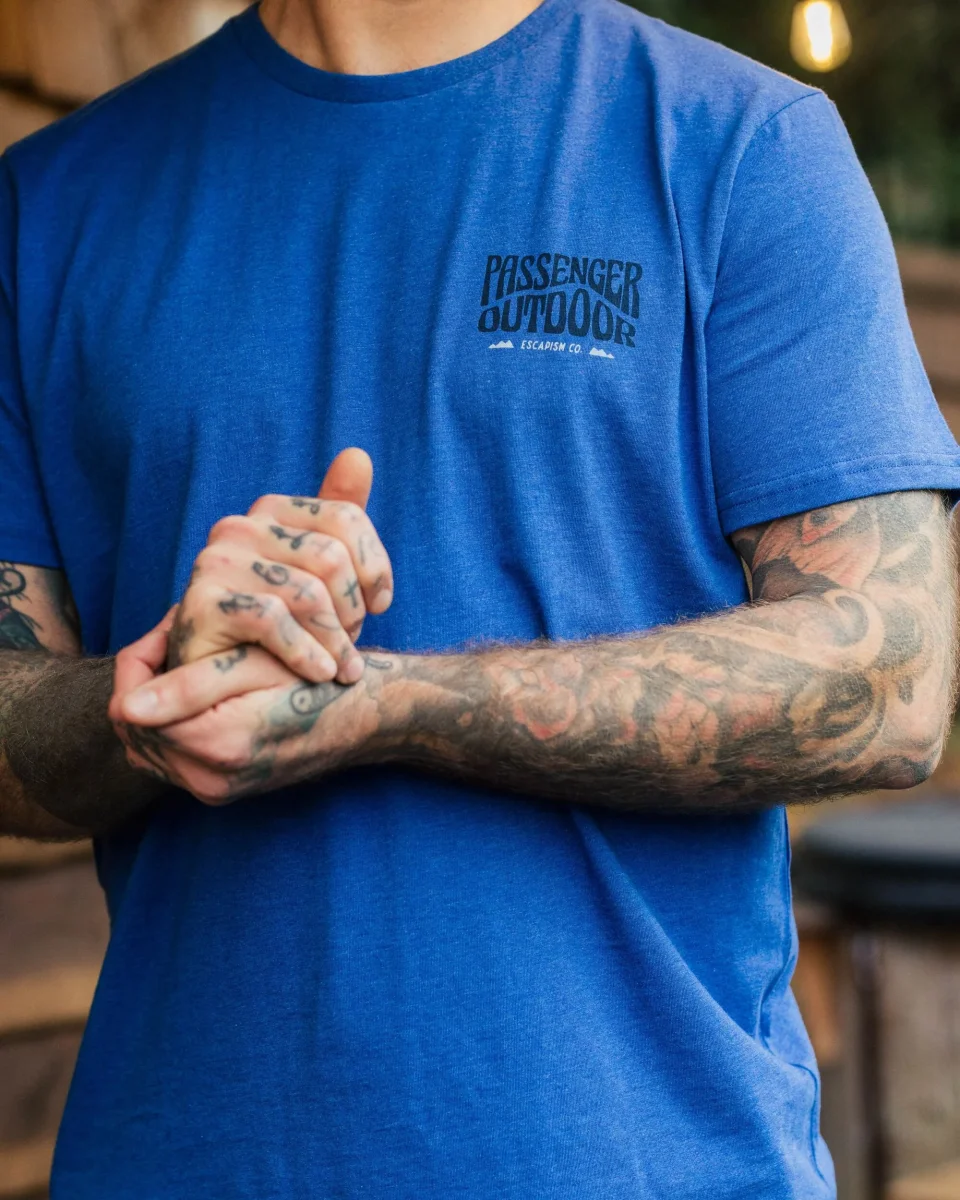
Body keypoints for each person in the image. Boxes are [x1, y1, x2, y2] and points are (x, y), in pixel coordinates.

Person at [1, 0, 958, 1194]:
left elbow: (891, 680)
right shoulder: (47, 205)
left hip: (648, 1163)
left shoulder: (736, 143)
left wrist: (390, 705)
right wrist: (150, 698)